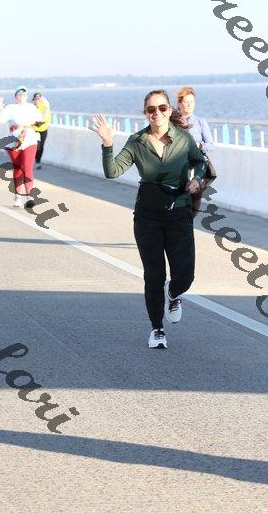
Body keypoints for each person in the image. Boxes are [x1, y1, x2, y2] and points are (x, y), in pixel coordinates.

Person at [91, 90, 206, 349]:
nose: (157, 113)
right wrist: (108, 144)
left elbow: (200, 162)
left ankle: (173, 293)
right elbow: (112, 171)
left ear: (170, 109)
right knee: (154, 274)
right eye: (151, 109)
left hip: (179, 214)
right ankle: (157, 329)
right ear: (145, 113)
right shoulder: (137, 141)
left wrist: (197, 179)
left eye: (162, 108)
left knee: (185, 275)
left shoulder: (183, 138)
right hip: (148, 217)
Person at [0, 86, 44, 208]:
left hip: (30, 140)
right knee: (18, 169)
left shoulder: (32, 108)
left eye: (24, 94)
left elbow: (41, 120)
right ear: (15, 96)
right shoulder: (10, 108)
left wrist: (42, 107)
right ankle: (17, 196)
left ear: (27, 96)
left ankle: (29, 196)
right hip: (14, 142)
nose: (22, 96)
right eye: (19, 94)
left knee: (27, 166)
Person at [176, 86, 214, 155]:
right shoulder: (173, 122)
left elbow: (210, 146)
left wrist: (199, 145)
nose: (189, 105)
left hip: (196, 159)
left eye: (192, 102)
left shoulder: (201, 122)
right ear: (179, 103)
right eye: (186, 102)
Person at [32, 93, 51, 170]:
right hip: (34, 130)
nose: (37, 100)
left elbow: (47, 118)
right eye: (36, 98)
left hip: (43, 129)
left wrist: (42, 123)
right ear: (33, 100)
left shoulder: (45, 107)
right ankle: (34, 160)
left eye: (39, 98)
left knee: (41, 146)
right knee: (35, 146)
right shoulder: (32, 108)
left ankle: (38, 161)